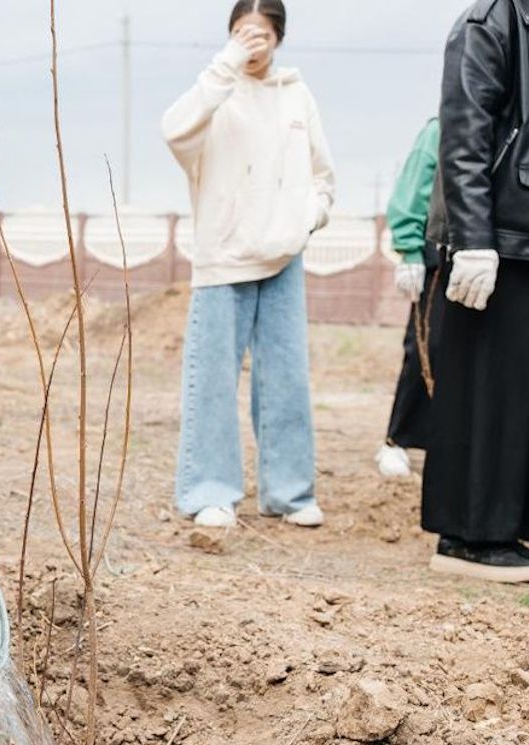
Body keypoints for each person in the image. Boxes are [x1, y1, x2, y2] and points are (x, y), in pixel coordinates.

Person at [162, 0, 335, 530]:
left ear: (278, 37)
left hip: (284, 255)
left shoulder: (296, 95)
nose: (253, 42)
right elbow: (174, 130)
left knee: (286, 379)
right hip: (223, 259)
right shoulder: (215, 94)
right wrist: (227, 60)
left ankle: (289, 493)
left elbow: (323, 177)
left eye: (260, 32)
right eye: (242, 31)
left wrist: (306, 218)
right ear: (231, 35)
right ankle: (209, 491)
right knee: (212, 380)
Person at [422, 0, 529, 582]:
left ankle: (506, 525)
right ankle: (469, 538)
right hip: (495, 239)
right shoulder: (487, 24)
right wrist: (474, 240)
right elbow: (465, 135)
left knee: (517, 400)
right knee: (485, 392)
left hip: (523, 235)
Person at [376, 119, 443, 478]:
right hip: (439, 254)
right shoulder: (441, 128)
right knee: (425, 350)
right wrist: (410, 250)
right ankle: (397, 440)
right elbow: (413, 189)